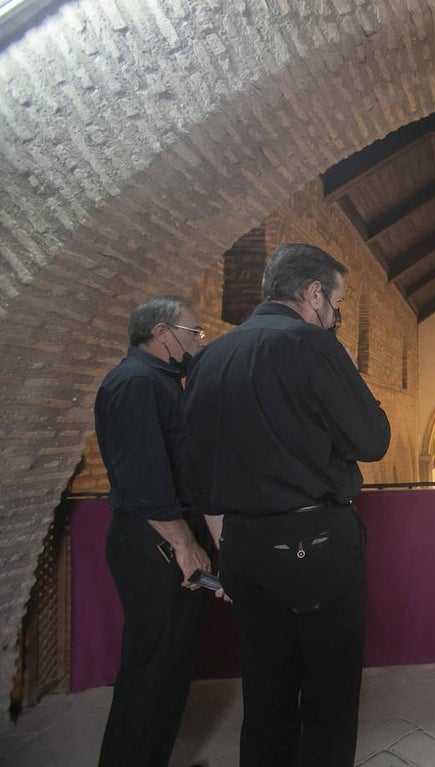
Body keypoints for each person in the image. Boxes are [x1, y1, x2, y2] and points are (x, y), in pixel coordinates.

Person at [184, 243, 391, 766]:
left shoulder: (211, 356)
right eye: (336, 300)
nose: (336, 313)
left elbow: (200, 466)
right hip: (314, 542)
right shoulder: (311, 345)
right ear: (314, 292)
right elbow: (371, 441)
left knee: (266, 688)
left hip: (244, 545)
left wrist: (223, 546)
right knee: (328, 693)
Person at [94, 296, 213, 766]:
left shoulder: (159, 382)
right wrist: (185, 545)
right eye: (194, 332)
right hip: (157, 543)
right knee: (153, 668)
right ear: (163, 333)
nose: (198, 340)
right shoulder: (136, 383)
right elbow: (143, 481)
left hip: (165, 539)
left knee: (169, 666)